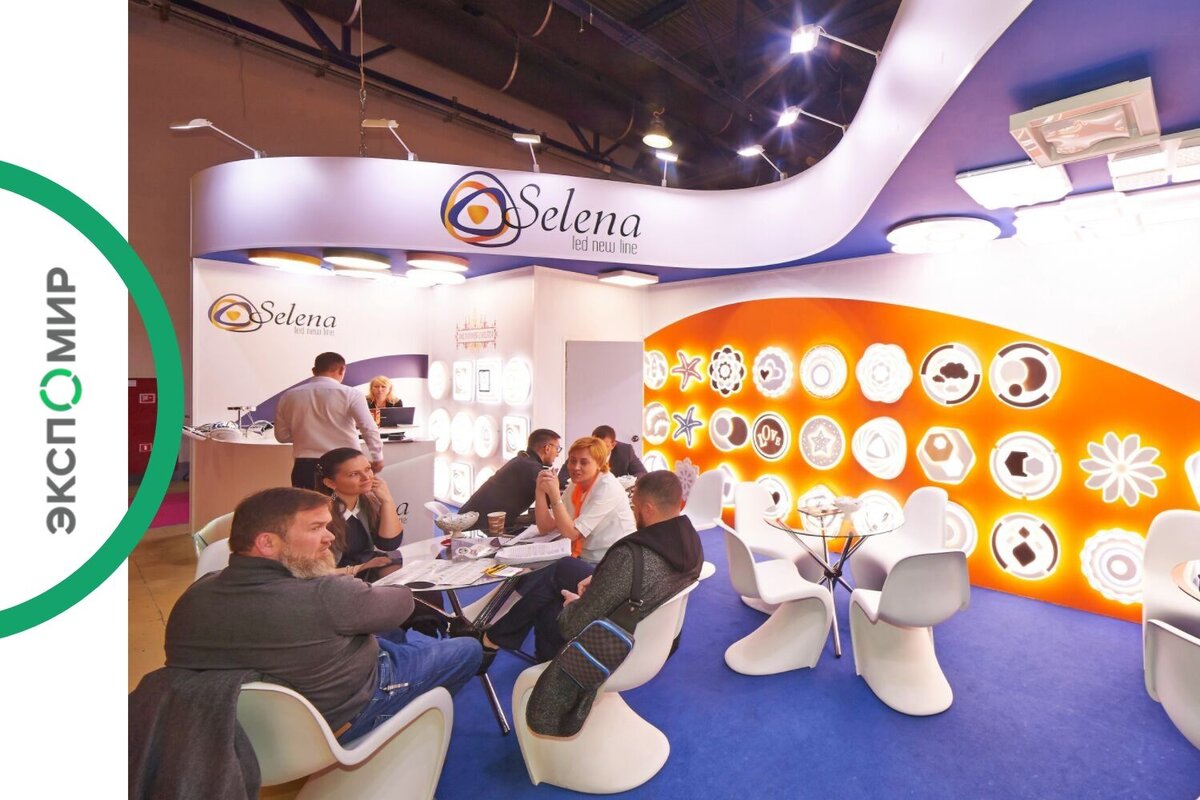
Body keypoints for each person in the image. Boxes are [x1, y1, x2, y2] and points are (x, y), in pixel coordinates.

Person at [164, 487, 482, 744]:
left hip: (243, 730)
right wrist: (336, 576)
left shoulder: (195, 594)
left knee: (385, 635)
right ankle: (409, 734)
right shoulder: (325, 594)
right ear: (267, 543)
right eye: (317, 528)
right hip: (343, 717)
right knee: (468, 649)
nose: (330, 537)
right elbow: (403, 603)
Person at [525, 470, 704, 737]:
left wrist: (576, 603)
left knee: (551, 607)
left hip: (616, 651)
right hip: (656, 639)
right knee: (562, 569)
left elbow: (571, 625)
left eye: (635, 505)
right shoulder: (691, 542)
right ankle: (499, 636)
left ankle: (557, 699)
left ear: (648, 508)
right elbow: (647, 583)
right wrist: (601, 579)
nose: (633, 511)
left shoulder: (631, 557)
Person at [480, 436, 637, 661]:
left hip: (608, 567)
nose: (575, 467)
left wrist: (554, 496)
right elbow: (546, 527)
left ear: (600, 464)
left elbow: (572, 533)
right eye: (572, 460)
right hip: (586, 560)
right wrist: (540, 491)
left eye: (584, 462)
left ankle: (494, 635)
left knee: (554, 570)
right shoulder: (576, 486)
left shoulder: (606, 488)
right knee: (549, 603)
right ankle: (545, 662)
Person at [274, 352, 383, 490]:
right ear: (342, 369)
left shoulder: (289, 396)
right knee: (345, 504)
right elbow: (368, 428)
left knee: (307, 504)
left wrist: (306, 433)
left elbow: (281, 436)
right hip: (346, 464)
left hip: (305, 467)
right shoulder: (351, 394)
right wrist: (377, 456)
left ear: (314, 371)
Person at [316, 447, 404, 582]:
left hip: (365, 566)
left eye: (368, 469)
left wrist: (387, 500)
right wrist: (358, 568)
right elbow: (312, 572)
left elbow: (389, 544)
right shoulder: (320, 514)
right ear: (330, 483)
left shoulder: (369, 501)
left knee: (405, 579)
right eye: (354, 474)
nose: (366, 477)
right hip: (331, 577)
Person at [457, 428, 562, 531]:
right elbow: (555, 502)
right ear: (547, 448)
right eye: (557, 449)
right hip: (477, 526)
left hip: (472, 521)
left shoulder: (523, 461)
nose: (557, 454)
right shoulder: (531, 469)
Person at [558, 425, 647, 489]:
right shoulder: (583, 450)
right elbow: (562, 479)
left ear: (613, 445)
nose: (599, 450)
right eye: (595, 445)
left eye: (604, 446)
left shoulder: (625, 451)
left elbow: (642, 473)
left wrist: (621, 482)